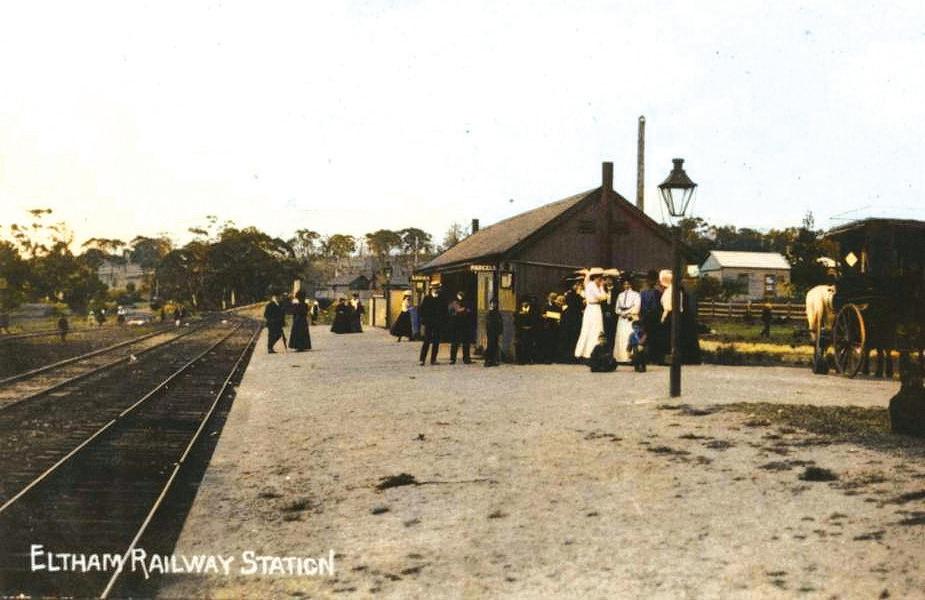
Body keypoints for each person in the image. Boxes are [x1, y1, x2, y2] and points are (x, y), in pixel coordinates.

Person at [574, 268, 608, 361]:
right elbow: (602, 297)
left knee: (594, 329)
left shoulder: (590, 285)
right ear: (596, 278)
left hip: (594, 308)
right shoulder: (592, 286)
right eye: (600, 278)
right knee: (592, 329)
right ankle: (587, 353)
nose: (601, 280)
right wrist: (601, 287)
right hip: (593, 308)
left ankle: (588, 352)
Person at [614, 276, 641, 363]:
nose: (626, 286)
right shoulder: (620, 295)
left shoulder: (636, 294)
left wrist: (627, 313)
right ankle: (621, 357)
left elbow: (637, 307)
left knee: (629, 336)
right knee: (621, 336)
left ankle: (631, 357)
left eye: (628, 284)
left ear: (631, 284)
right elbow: (617, 308)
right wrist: (621, 313)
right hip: (622, 319)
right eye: (625, 284)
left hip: (631, 318)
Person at [418, 284, 445, 365]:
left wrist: (443, 321)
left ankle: (433, 359)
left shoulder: (441, 299)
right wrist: (424, 320)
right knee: (427, 341)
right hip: (429, 323)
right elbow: (422, 310)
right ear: (432, 289)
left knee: (436, 341)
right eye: (434, 289)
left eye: (437, 289)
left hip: (438, 323)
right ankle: (422, 359)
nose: (436, 290)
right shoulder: (427, 298)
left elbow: (444, 311)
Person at [557, 279, 583, 363]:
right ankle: (568, 357)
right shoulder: (570, 294)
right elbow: (576, 305)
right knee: (570, 337)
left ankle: (573, 356)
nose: (577, 286)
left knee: (574, 336)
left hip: (575, 317)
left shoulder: (575, 294)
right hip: (571, 318)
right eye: (576, 285)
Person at [448, 290, 474, 364]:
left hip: (463, 325)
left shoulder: (465, 303)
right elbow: (457, 310)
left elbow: (468, 311)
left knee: (464, 343)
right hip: (457, 325)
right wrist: (464, 309)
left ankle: (465, 358)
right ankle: (453, 359)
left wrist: (463, 310)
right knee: (456, 343)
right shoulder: (454, 303)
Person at [538, 292, 560, 364]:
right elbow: (542, 314)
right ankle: (546, 358)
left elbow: (558, 315)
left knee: (553, 342)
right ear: (549, 298)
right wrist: (544, 316)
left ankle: (552, 358)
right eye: (552, 298)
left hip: (554, 326)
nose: (553, 299)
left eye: (554, 298)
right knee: (546, 342)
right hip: (547, 325)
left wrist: (552, 315)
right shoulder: (545, 306)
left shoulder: (557, 306)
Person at [514, 297, 538, 364]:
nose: (524, 304)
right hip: (521, 331)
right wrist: (521, 327)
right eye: (523, 302)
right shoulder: (518, 311)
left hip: (530, 330)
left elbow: (535, 320)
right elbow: (515, 321)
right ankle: (521, 360)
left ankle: (529, 359)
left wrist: (531, 327)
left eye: (526, 302)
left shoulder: (533, 310)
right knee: (521, 345)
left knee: (529, 345)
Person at [485, 297, 502, 367]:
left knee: (495, 345)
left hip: (496, 331)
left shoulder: (497, 312)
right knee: (490, 345)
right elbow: (488, 322)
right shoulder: (490, 312)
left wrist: (500, 330)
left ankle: (493, 360)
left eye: (495, 303)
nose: (494, 305)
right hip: (491, 331)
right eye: (492, 303)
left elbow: (500, 322)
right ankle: (488, 360)